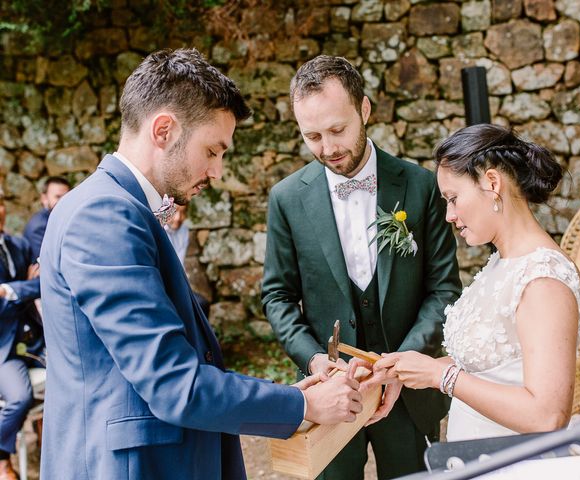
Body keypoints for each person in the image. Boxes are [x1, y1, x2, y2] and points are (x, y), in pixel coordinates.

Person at [38, 48, 364, 480]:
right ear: (164, 130)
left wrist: (286, 395)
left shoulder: (116, 207)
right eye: (212, 150)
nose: (217, 171)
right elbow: (173, 384)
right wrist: (303, 405)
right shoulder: (102, 216)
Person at [262, 55, 461, 480]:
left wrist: (404, 365)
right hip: (331, 395)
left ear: (365, 109)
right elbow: (277, 297)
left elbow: (443, 289)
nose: (328, 148)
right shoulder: (286, 199)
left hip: (408, 394)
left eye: (338, 129)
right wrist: (315, 361)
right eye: (312, 136)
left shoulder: (420, 185)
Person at [375, 124, 580, 441]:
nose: (449, 215)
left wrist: (440, 376)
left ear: (491, 183)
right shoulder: (502, 263)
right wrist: (410, 369)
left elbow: (547, 415)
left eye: (453, 198)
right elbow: (492, 367)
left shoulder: (543, 279)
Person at [0, 189, 42, 480]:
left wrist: (11, 290)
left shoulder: (19, 245)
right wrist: (25, 288)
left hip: (34, 340)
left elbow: (44, 283)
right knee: (19, 397)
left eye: (1, 201)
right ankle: (2, 458)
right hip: (3, 349)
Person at [165, 203, 210, 316]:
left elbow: (179, 264)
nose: (178, 218)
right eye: (175, 212)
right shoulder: (159, 230)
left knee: (202, 305)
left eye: (183, 212)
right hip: (162, 287)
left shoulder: (183, 230)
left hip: (176, 287)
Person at [23, 176, 70, 256]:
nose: (63, 201)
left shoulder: (60, 219)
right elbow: (44, 260)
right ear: (44, 198)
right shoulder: (39, 226)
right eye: (58, 197)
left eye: (67, 197)